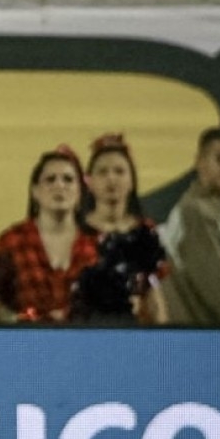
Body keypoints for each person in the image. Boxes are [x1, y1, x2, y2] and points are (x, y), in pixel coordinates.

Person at [0, 146, 98, 324]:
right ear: (35, 191)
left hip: (87, 346)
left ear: (80, 192)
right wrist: (14, 321)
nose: (59, 185)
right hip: (26, 346)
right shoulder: (12, 241)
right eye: (50, 180)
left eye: (68, 179)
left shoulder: (98, 244)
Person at [73, 133, 168, 325]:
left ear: (132, 180)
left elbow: (153, 291)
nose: (111, 179)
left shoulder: (146, 232)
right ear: (89, 181)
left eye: (119, 171)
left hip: (130, 330)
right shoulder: (73, 230)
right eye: (103, 172)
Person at [159, 127, 220, 325]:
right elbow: (219, 291)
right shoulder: (193, 213)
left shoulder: (217, 212)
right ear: (200, 162)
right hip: (202, 343)